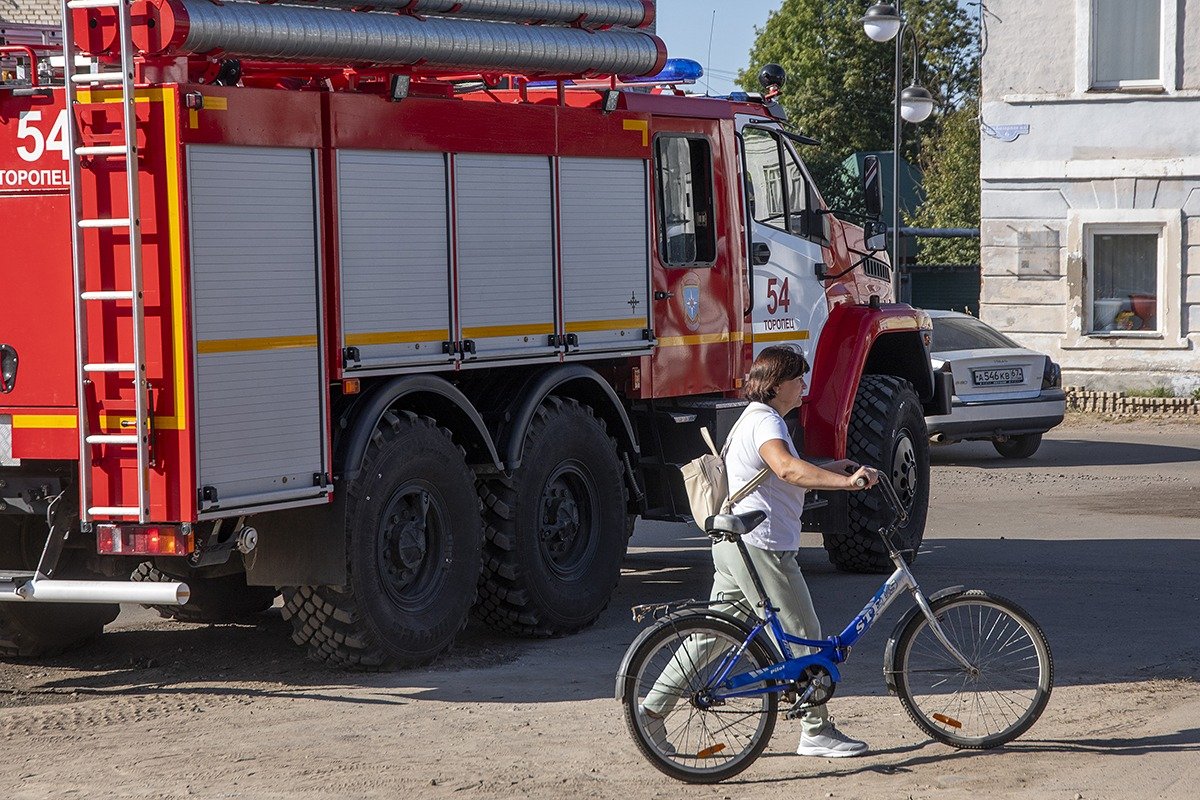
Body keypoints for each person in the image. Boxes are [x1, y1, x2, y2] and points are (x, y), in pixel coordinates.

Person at [641, 345, 880, 759]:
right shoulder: (766, 422)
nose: (803, 384)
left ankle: (651, 709)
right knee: (804, 635)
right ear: (777, 384)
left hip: (737, 546)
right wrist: (847, 483)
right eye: (798, 378)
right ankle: (816, 730)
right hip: (763, 548)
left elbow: (782, 472)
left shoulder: (752, 420)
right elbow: (787, 468)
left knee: (710, 637)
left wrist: (832, 466)